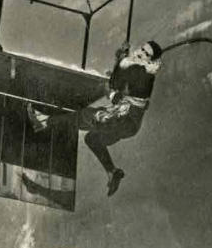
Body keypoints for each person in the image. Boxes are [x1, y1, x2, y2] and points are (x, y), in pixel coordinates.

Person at [27, 40, 163, 196]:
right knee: (92, 139)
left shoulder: (141, 73)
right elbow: (117, 83)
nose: (140, 52)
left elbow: (116, 87)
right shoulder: (142, 70)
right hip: (128, 124)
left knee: (87, 116)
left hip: (124, 120)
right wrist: (120, 61)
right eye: (142, 49)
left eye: (146, 54)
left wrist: (120, 62)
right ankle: (112, 172)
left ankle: (44, 121)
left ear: (150, 61)